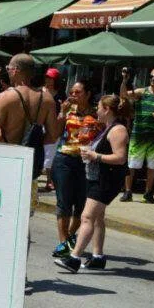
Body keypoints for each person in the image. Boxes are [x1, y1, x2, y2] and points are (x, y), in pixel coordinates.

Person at [55, 94, 131, 273]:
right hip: (99, 177)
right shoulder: (107, 128)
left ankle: (73, 258)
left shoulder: (117, 130)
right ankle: (98, 257)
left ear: (107, 110)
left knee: (87, 217)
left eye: (99, 107)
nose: (96, 110)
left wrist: (95, 156)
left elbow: (120, 158)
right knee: (97, 218)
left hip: (107, 180)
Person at [0, 54, 60, 221]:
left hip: (7, 160)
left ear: (16, 70)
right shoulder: (47, 98)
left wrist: (1, 139)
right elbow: (53, 136)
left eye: (8, 69)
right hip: (31, 164)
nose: (8, 72)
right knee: (24, 218)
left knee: (1, 215)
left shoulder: (6, 97)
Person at [50, 82, 100, 258]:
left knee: (81, 205)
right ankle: (63, 243)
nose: (73, 95)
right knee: (64, 203)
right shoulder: (67, 111)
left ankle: (69, 238)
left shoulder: (96, 113)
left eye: (78, 92)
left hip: (86, 161)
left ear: (87, 94)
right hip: (64, 158)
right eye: (71, 92)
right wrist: (62, 112)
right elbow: (55, 133)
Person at [120, 66, 154, 203]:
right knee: (132, 164)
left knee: (152, 166)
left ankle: (148, 193)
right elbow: (123, 95)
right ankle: (128, 191)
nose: (153, 79)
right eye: (151, 76)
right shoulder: (142, 91)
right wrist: (124, 80)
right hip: (138, 134)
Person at [41, 68, 64, 192]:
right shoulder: (41, 92)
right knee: (43, 153)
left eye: (50, 78)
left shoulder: (60, 95)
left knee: (51, 154)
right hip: (42, 125)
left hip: (54, 126)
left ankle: (50, 180)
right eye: (47, 77)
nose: (47, 80)